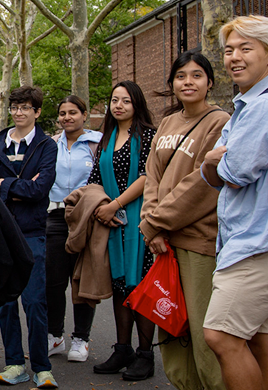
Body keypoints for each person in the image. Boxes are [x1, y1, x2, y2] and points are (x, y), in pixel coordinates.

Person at [138, 51, 229, 390]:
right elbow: (153, 176)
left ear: (209, 82)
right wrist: (153, 224)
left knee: (204, 332)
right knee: (171, 323)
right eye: (181, 76)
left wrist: (155, 223)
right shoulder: (168, 122)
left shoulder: (220, 122)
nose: (188, 82)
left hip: (199, 241)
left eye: (196, 75)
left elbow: (201, 186)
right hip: (163, 240)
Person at [201, 15, 268, 390]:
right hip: (258, 241)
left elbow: (235, 171)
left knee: (221, 336)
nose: (234, 57)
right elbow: (213, 172)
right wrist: (214, 161)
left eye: (246, 48)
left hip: (257, 243)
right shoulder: (249, 106)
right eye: (229, 49)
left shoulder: (265, 107)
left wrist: (215, 159)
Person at [0, 86, 59, 388]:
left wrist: (6, 184)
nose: (19, 112)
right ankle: (14, 363)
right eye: (15, 107)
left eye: (26, 107)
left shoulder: (46, 146)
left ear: (37, 112)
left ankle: (42, 367)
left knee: (35, 301)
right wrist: (16, 185)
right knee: (6, 303)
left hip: (32, 232)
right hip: (1, 232)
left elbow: (41, 190)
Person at [88, 80, 157, 381]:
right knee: (120, 287)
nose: (118, 106)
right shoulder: (106, 138)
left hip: (140, 221)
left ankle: (145, 354)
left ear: (136, 104)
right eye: (114, 100)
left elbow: (146, 177)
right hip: (112, 223)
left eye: (125, 101)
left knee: (140, 287)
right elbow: (94, 177)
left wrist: (115, 204)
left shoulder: (148, 136)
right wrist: (102, 207)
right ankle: (122, 348)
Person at [46, 95, 102, 363]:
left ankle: (81, 339)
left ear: (84, 114)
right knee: (54, 281)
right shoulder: (51, 143)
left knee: (81, 281)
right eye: (63, 113)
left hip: (85, 217)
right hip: (54, 215)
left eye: (73, 112)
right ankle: (54, 336)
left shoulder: (97, 142)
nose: (67, 117)